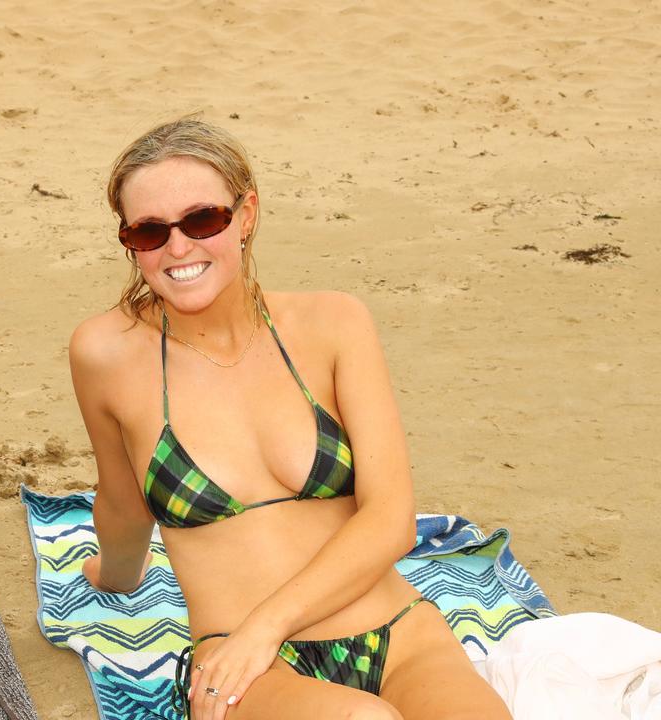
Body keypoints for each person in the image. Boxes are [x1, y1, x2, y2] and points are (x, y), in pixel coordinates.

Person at [70, 118, 510, 720]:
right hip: (247, 674)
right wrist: (114, 575)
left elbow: (391, 521)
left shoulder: (334, 324)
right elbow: (122, 502)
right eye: (149, 231)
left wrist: (264, 628)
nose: (178, 248)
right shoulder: (107, 353)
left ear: (246, 214)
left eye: (203, 220)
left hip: (397, 635)